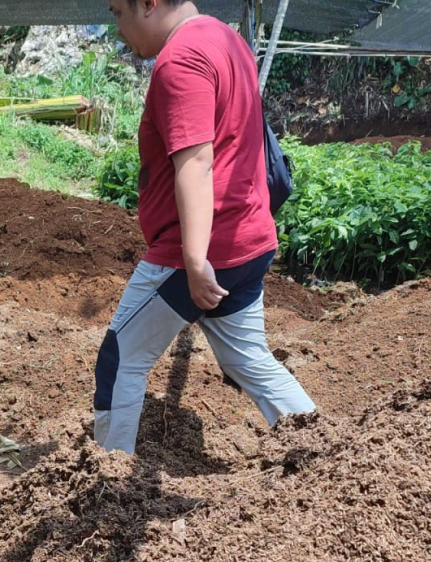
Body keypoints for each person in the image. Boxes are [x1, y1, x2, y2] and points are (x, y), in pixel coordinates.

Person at [94, 0, 316, 455]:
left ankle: (106, 478)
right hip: (248, 239)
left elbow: (195, 163)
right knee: (246, 359)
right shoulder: (225, 38)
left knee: (121, 358)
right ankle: (325, 452)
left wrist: (195, 261)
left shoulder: (180, 60)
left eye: (118, 13)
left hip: (199, 251)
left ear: (149, 4)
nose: (117, 28)